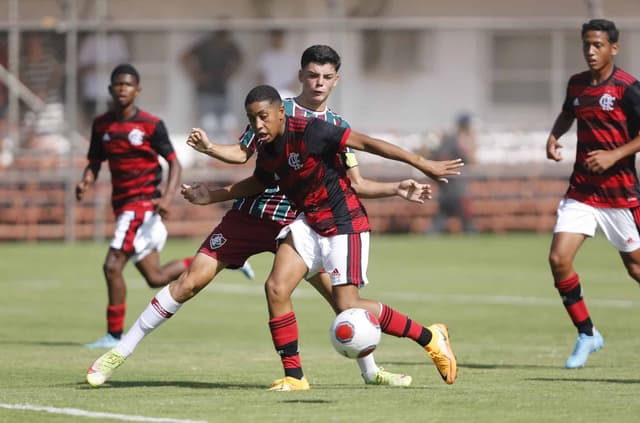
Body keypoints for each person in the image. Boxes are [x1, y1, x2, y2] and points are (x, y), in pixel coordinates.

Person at [85, 45, 440, 389]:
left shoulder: (334, 126)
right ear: (301, 76)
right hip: (252, 215)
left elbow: (356, 184)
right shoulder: (271, 109)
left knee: (342, 301)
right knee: (191, 282)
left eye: (326, 77)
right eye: (312, 75)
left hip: (300, 223)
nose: (318, 83)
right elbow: (243, 156)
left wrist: (396, 188)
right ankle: (119, 352)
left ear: (336, 81)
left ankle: (370, 370)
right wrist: (210, 153)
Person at [184, 84, 462, 391]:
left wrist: (422, 164)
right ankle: (295, 377)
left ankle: (429, 337)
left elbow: (367, 143)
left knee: (348, 304)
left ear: (280, 113)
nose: (258, 126)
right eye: (252, 119)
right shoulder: (266, 146)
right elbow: (257, 183)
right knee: (276, 287)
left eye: (263, 117)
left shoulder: (313, 131)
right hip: (308, 222)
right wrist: (212, 196)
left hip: (344, 222)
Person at [76, 64, 193, 349]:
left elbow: (174, 163)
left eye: (128, 85)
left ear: (137, 90)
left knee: (112, 266)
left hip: (141, 205)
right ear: (110, 89)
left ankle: (114, 336)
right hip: (123, 206)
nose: (123, 89)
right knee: (155, 277)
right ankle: (212, 261)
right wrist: (85, 181)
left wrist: (167, 198)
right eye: (118, 84)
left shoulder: (151, 125)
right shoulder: (102, 125)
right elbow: (94, 161)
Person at [545, 19, 640, 369]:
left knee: (635, 268)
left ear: (613, 48)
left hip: (620, 195)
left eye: (598, 45)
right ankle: (587, 333)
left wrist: (616, 154)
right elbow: (568, 113)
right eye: (586, 44)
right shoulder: (577, 84)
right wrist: (555, 136)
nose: (590, 51)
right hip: (582, 191)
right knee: (558, 259)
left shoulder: (628, 88)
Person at [181, 26, 243, 142]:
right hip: (205, 91)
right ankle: (208, 155)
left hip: (222, 90)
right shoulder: (205, 45)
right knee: (208, 124)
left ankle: (223, 153)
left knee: (227, 124)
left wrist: (230, 73)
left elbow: (240, 58)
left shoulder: (229, 46)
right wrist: (196, 75)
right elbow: (184, 57)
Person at [430, 113, 477, 234]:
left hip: (445, 186)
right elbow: (471, 160)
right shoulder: (461, 141)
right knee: (467, 221)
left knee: (440, 218)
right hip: (457, 187)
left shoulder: (448, 139)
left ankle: (429, 237)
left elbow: (434, 157)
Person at [77, 31, 131, 131]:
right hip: (92, 92)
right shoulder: (90, 41)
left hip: (114, 94)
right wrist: (96, 67)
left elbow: (125, 66)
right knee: (92, 126)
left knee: (114, 126)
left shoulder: (117, 40)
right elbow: (81, 67)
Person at [256, 30, 298, 99]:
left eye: (278, 38)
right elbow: (259, 75)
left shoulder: (291, 56)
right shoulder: (265, 56)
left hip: (287, 93)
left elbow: (298, 75)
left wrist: (291, 88)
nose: (276, 40)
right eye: (274, 38)